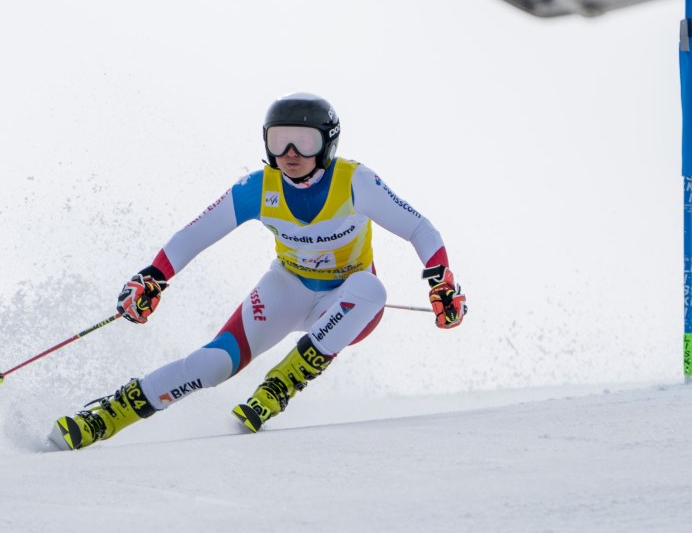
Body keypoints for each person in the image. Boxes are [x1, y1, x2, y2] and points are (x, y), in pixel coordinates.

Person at [51, 93, 466, 450]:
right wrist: (153, 277)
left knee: (370, 287)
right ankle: (104, 418)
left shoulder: (355, 181)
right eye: (279, 139)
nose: (290, 153)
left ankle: (279, 385)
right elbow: (193, 236)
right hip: (287, 288)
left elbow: (419, 228)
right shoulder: (258, 188)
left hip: (347, 303)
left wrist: (441, 282)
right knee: (212, 365)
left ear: (328, 144)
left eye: (304, 141)